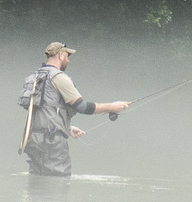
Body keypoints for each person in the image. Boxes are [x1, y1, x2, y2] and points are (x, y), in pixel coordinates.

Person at [19, 42, 129, 176]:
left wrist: (68, 128)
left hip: (34, 141)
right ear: (60, 55)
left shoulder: (36, 77)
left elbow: (44, 111)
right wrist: (112, 106)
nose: (68, 60)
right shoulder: (59, 78)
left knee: (38, 182)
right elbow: (82, 107)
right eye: (67, 56)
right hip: (52, 143)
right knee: (58, 181)